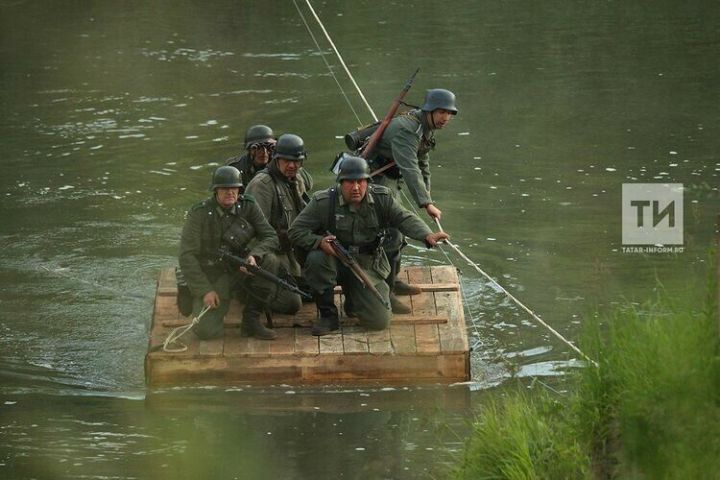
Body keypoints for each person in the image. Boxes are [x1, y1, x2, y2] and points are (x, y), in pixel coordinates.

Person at [288, 155, 449, 336]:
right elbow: (295, 231)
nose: (356, 187)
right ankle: (328, 315)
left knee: (379, 322)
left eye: (361, 181)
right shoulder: (323, 202)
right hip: (335, 262)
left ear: (367, 182)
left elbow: (404, 218)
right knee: (316, 258)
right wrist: (319, 242)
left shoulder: (382, 198)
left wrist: (427, 235)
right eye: (349, 182)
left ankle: (354, 300)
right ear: (340, 183)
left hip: (366, 265)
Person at [367, 88, 457, 313]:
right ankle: (384, 291)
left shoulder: (425, 128)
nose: (446, 118)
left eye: (449, 113)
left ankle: (392, 279)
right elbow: (409, 167)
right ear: (429, 110)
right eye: (442, 112)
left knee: (396, 233)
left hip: (389, 179)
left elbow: (423, 164)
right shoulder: (408, 130)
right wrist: (425, 203)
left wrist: (428, 201)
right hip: (372, 180)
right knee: (391, 233)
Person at [179, 165, 280, 340]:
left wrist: (254, 256)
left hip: (240, 269)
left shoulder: (248, 206)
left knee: (270, 261)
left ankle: (251, 320)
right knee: (207, 331)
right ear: (215, 190)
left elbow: (270, 236)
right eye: (225, 189)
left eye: (234, 188)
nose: (230, 193)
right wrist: (205, 291)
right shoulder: (199, 214)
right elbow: (187, 256)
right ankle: (209, 295)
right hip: (213, 275)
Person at [244, 133, 313, 314]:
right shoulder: (262, 185)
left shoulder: (296, 179)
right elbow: (251, 232)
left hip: (292, 250)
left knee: (317, 288)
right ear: (276, 159)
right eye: (286, 160)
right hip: (269, 253)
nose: (292, 165)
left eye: (297, 161)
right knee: (291, 304)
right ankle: (248, 290)